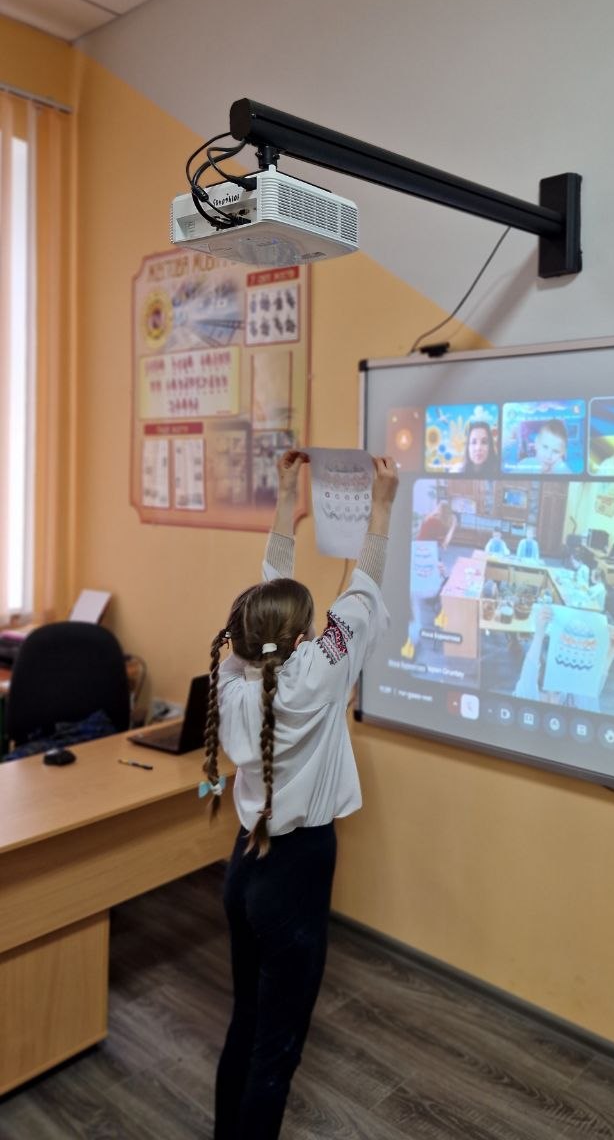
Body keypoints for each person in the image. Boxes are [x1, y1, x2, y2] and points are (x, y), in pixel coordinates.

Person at [202, 448, 398, 1140]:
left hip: (244, 869)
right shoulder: (316, 676)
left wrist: (287, 499)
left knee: (246, 1023)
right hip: (295, 876)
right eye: (309, 624)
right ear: (300, 639)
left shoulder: (234, 676)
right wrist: (382, 506)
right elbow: (364, 593)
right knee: (277, 1051)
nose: (318, 630)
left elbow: (267, 599)